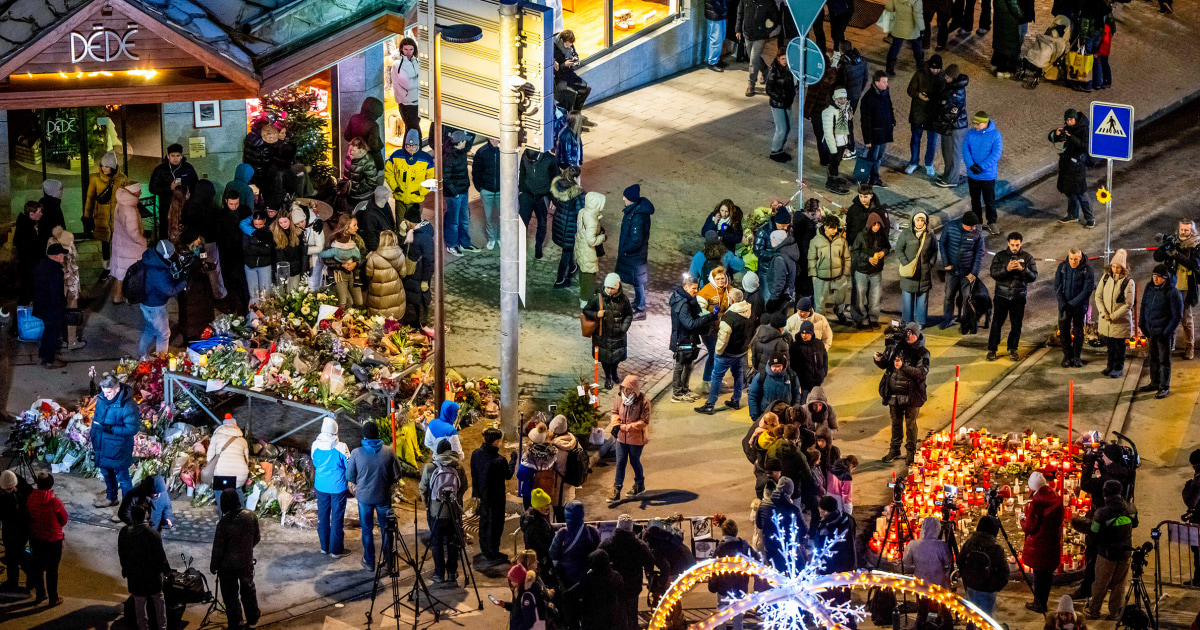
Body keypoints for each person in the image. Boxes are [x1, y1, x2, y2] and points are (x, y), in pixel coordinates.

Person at [348, 421, 404, 571]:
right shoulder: (389, 451)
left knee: (367, 530)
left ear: (364, 436)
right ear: (378, 434)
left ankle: (370, 562)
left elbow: (350, 476)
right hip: (383, 496)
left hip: (364, 498)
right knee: (386, 529)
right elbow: (397, 474)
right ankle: (389, 563)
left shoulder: (356, 453)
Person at [876, 322, 930, 463]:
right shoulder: (897, 347)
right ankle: (894, 449)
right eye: (907, 333)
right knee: (896, 423)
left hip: (912, 395)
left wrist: (903, 367)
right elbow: (886, 364)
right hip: (894, 393)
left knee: (910, 425)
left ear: (916, 335)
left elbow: (921, 373)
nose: (908, 336)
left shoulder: (922, 353)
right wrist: (879, 360)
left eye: (910, 333)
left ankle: (911, 452)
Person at [696, 289, 755, 414]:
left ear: (731, 299)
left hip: (728, 353)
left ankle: (710, 404)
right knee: (738, 375)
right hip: (742, 351)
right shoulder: (750, 311)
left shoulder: (729, 317)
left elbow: (723, 339)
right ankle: (736, 400)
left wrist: (718, 352)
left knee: (716, 377)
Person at [1086, 479, 1138, 619]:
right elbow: (1135, 524)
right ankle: (1115, 612)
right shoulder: (1131, 508)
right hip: (1125, 552)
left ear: (1105, 494)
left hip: (1106, 554)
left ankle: (1094, 610)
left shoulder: (1101, 513)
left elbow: (1094, 534)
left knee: (1101, 583)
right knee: (1119, 584)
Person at [420, 439, 469, 583]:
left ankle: (439, 574)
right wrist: (456, 499)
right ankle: (452, 573)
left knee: (437, 543)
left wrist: (427, 505)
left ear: (438, 451)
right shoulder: (458, 466)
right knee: (453, 542)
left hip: (436, 511)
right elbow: (464, 486)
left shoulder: (430, 467)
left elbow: (422, 488)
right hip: (453, 511)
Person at [211, 488, 260, 628]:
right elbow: (256, 537)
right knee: (248, 590)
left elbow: (218, 548)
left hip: (227, 566)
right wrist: (247, 549)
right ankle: (252, 618)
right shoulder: (251, 516)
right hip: (245, 562)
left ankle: (236, 623)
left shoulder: (223, 524)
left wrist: (214, 565)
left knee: (230, 596)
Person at [1152, 219, 1200, 360]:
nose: (1183, 232)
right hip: (1171, 286)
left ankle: (1189, 347)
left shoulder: (1196, 245)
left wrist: (1175, 254)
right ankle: (1169, 346)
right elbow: (1157, 257)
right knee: (1169, 317)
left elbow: (1193, 265)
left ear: (1192, 231)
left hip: (1186, 287)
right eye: (1181, 230)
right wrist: (1165, 246)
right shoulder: (1174, 242)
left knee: (1186, 319)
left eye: (1187, 230)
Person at [118, 503, 171, 630]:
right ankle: (162, 627)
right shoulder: (153, 534)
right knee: (159, 602)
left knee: (139, 604)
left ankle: (142, 627)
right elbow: (161, 557)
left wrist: (126, 569)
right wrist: (167, 572)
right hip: (152, 577)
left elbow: (122, 553)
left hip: (135, 576)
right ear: (145, 516)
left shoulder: (125, 532)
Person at [92, 374, 141, 508]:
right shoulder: (102, 399)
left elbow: (132, 428)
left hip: (119, 448)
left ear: (117, 389)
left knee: (123, 478)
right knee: (106, 473)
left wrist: (110, 429)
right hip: (102, 445)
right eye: (103, 392)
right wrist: (94, 438)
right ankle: (111, 498)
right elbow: (96, 420)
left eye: (108, 392)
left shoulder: (128, 405)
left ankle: (127, 507)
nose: (105, 395)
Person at [988, 232, 1038, 361]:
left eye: (1017, 245)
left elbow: (1033, 277)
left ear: (1021, 244)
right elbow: (994, 274)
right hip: (1001, 296)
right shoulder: (1000, 256)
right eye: (1012, 245)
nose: (1015, 247)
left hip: (1018, 297)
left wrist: (1022, 269)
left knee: (1016, 325)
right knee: (996, 324)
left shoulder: (1027, 258)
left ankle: (1013, 349)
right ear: (1008, 243)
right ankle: (992, 349)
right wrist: (1007, 269)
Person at [550, 501, 600, 627]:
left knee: (571, 615)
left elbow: (553, 553)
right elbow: (598, 553)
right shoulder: (591, 532)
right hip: (586, 579)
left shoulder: (562, 533)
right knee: (587, 614)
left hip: (567, 581)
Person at [1020, 471, 1064, 613]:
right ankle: (1042, 601)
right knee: (1047, 575)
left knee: (1039, 577)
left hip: (1039, 545)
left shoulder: (1037, 502)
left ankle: (1038, 604)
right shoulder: (1055, 497)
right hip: (1052, 542)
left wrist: (1022, 520)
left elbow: (1030, 527)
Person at [600, 515, 654, 630]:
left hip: (614, 586)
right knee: (632, 614)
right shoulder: (639, 545)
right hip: (633, 586)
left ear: (618, 526)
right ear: (631, 528)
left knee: (616, 615)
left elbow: (598, 559)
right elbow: (649, 561)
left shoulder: (607, 544)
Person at [670, 275, 718, 402]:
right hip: (682, 339)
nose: (696, 291)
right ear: (686, 287)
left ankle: (684, 390)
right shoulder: (683, 304)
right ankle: (677, 394)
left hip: (688, 338)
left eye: (697, 288)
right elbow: (690, 324)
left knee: (689, 365)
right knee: (680, 366)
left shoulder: (690, 300)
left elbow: (697, 315)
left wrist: (708, 316)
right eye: (694, 288)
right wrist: (707, 318)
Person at [584, 273, 635, 390]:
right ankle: (608, 377)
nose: (609, 290)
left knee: (616, 358)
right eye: (607, 287)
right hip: (602, 335)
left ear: (617, 287)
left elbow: (628, 315)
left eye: (612, 288)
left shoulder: (624, 299)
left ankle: (614, 372)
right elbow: (587, 311)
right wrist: (596, 314)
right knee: (605, 359)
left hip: (618, 335)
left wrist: (623, 328)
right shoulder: (597, 298)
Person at [472, 427, 515, 563]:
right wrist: (513, 460)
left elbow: (474, 474)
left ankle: (485, 549)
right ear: (496, 441)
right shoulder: (499, 460)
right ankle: (493, 552)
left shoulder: (476, 454)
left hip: (483, 495)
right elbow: (508, 475)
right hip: (496, 498)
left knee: (484, 522)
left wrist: (475, 493)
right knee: (496, 524)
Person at [1140, 264, 1184, 398]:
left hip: (1163, 333)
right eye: (1154, 276)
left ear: (1165, 278)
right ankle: (1154, 382)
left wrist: (1166, 333)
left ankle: (1164, 387)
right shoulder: (1149, 287)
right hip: (1151, 330)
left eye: (1159, 277)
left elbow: (1177, 315)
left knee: (1164, 361)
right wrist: (1142, 324)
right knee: (1152, 358)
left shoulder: (1173, 293)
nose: (1155, 279)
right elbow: (1143, 305)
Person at [139, 241, 189, 356]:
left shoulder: (152, 259)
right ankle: (160, 361)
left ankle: (141, 355)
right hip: (155, 306)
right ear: (166, 255)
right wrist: (184, 281)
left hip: (147, 303)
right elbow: (171, 290)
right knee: (164, 334)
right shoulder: (158, 271)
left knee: (150, 330)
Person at [938, 211, 985, 329]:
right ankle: (947, 319)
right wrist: (946, 263)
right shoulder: (950, 227)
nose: (973, 228)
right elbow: (942, 243)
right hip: (952, 271)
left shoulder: (978, 233)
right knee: (949, 296)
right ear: (963, 223)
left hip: (967, 272)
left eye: (975, 226)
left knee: (967, 298)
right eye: (971, 226)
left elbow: (979, 253)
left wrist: (974, 273)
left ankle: (967, 321)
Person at [312, 417, 351, 558]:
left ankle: (324, 547)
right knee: (336, 518)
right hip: (338, 488)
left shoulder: (315, 445)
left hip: (321, 487)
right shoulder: (342, 447)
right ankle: (336, 550)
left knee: (322, 517)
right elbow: (349, 466)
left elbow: (315, 462)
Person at [27, 472, 67, 607]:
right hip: (53, 540)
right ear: (51, 485)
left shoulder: (31, 498)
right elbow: (63, 520)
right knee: (52, 570)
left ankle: (40, 594)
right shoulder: (54, 502)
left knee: (37, 567)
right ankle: (53, 598)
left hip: (36, 538)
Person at [85, 150, 130, 269]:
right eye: (102, 166)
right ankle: (107, 267)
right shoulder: (95, 179)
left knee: (118, 243)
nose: (103, 168)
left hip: (117, 217)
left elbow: (127, 199)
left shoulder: (121, 179)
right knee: (105, 243)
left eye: (107, 166)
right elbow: (90, 199)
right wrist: (87, 217)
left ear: (113, 167)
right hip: (102, 218)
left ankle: (118, 265)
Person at [1050, 109, 1095, 228]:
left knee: (1081, 193)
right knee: (1070, 192)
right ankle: (1072, 215)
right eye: (1067, 120)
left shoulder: (1083, 129)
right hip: (1067, 165)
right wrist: (1056, 134)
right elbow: (1052, 138)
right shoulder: (1068, 129)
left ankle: (1090, 219)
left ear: (1075, 119)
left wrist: (1071, 137)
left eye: (1071, 119)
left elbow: (1085, 146)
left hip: (1078, 166)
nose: (1069, 122)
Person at [903, 516, 953, 624]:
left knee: (922, 610)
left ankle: (921, 624)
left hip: (921, 584)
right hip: (940, 585)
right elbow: (948, 562)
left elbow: (907, 562)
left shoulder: (913, 545)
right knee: (944, 610)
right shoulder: (941, 546)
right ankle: (944, 624)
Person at [610, 374, 651, 501]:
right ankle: (617, 489)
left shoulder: (644, 402)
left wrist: (625, 427)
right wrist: (616, 424)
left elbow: (644, 421)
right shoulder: (619, 398)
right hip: (621, 438)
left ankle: (639, 484)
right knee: (620, 462)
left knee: (634, 461)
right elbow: (614, 412)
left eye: (628, 389)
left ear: (634, 390)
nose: (625, 391)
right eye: (624, 388)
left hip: (636, 439)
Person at [615, 185, 655, 318]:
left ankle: (641, 308)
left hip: (635, 256)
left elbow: (636, 240)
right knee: (636, 280)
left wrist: (625, 249)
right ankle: (638, 302)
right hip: (635, 255)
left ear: (631, 199)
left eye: (625, 197)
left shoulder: (637, 216)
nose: (623, 199)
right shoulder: (635, 211)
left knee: (638, 281)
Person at [1094, 249, 1135, 378]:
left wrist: (1112, 316)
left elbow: (1128, 304)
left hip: (1119, 321)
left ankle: (1118, 368)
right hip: (1107, 320)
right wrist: (1103, 313)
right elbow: (1098, 296)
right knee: (1110, 345)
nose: (1115, 269)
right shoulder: (1106, 278)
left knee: (1119, 346)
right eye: (1113, 266)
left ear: (1123, 268)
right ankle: (1110, 366)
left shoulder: (1128, 282)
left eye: (1118, 267)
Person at [958, 515, 1009, 616]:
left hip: (971, 586)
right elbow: (1005, 573)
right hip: (987, 589)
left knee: (971, 614)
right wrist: (994, 586)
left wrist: (967, 577)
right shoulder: (996, 549)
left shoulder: (969, 544)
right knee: (986, 616)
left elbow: (960, 561)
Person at [962, 112, 1004, 235]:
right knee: (975, 200)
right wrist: (971, 165)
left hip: (987, 175)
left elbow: (996, 154)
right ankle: (977, 222)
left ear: (985, 123)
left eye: (977, 124)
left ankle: (992, 222)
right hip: (973, 175)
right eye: (974, 124)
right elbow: (965, 150)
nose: (975, 126)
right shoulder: (970, 134)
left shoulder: (995, 135)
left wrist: (981, 166)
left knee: (989, 200)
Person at [1055, 248, 1097, 368]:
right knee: (1064, 331)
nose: (1073, 262)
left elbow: (1087, 290)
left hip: (1079, 306)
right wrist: (1063, 303)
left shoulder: (1087, 269)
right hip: (1064, 305)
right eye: (1071, 259)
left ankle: (1076, 356)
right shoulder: (1062, 267)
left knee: (1078, 332)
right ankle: (1067, 356)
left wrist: (1072, 304)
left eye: (1076, 259)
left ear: (1081, 257)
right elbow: (1057, 286)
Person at [708, 519, 753, 630]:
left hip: (723, 588)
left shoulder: (720, 549)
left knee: (721, 614)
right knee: (738, 615)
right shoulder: (743, 546)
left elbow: (713, 569)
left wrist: (712, 585)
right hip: (740, 587)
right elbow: (754, 559)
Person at [896, 212, 939, 326]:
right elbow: (899, 249)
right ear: (913, 221)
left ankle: (920, 322)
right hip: (909, 273)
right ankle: (907, 322)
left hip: (924, 273)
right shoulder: (906, 233)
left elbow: (935, 250)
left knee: (922, 299)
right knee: (907, 300)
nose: (920, 223)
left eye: (922, 220)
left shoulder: (930, 234)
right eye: (917, 220)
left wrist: (930, 264)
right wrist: (906, 263)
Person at [809, 215, 852, 326]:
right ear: (825, 227)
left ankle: (839, 312)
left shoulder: (841, 241)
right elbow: (811, 259)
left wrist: (845, 274)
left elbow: (847, 258)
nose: (835, 230)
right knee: (819, 305)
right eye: (832, 228)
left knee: (841, 300)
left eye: (836, 227)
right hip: (821, 278)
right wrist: (814, 276)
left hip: (839, 277)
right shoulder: (815, 241)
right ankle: (819, 324)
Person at [384, 129, 436, 220]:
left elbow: (431, 179)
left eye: (413, 146)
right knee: (401, 224)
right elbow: (388, 172)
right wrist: (395, 187)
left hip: (416, 200)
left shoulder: (426, 159)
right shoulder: (396, 156)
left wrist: (421, 192)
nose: (410, 148)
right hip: (400, 197)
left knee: (414, 224)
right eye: (408, 145)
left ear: (418, 145)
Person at [31, 243, 68, 369]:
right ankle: (49, 360)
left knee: (47, 332)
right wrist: (60, 307)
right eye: (62, 254)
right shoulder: (55, 270)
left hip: (42, 306)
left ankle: (43, 355)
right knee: (52, 334)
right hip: (52, 308)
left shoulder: (42, 266)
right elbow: (55, 292)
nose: (63, 257)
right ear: (56, 256)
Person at [756, 477, 805, 571]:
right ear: (790, 492)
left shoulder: (763, 505)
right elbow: (803, 531)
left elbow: (759, 525)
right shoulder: (793, 509)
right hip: (789, 550)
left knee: (776, 574)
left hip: (770, 549)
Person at [111, 182, 149, 305]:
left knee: (120, 272)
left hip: (120, 244)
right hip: (130, 247)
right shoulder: (130, 209)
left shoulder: (121, 203)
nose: (141, 193)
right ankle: (129, 295)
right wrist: (143, 241)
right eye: (139, 190)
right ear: (134, 192)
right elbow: (133, 233)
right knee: (131, 272)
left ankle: (117, 295)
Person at [852, 212, 891, 329]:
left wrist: (883, 252)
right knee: (860, 297)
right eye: (874, 224)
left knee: (875, 296)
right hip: (862, 271)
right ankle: (862, 319)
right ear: (869, 224)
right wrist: (868, 259)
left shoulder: (882, 235)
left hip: (876, 271)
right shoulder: (861, 236)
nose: (877, 227)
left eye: (878, 224)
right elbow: (855, 252)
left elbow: (887, 247)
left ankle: (873, 318)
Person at [905, 55, 942, 176]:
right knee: (915, 139)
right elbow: (910, 90)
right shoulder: (920, 74)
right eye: (933, 68)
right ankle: (913, 162)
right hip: (919, 113)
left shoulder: (942, 77)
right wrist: (918, 95)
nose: (935, 71)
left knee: (932, 142)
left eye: (937, 69)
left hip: (934, 115)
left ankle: (929, 164)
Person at [569, 550, 624, 630]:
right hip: (611, 620)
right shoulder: (616, 577)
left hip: (591, 621)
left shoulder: (589, 579)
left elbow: (569, 594)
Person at [734, 0, 780, 97]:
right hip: (747, 34)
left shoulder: (768, 2)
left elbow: (775, 18)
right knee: (754, 57)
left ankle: (751, 84)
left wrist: (766, 31)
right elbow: (740, 13)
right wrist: (738, 29)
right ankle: (766, 72)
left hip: (760, 36)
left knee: (753, 60)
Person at [934, 65, 970, 188]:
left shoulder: (957, 91)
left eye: (947, 76)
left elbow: (953, 110)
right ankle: (948, 175)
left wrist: (943, 111)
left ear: (953, 77)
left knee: (953, 153)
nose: (945, 77)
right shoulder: (952, 86)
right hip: (950, 125)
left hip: (955, 127)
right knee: (947, 151)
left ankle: (952, 179)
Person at [519, 149, 558, 260]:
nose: (531, 162)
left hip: (543, 196)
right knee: (522, 222)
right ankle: (521, 245)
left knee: (542, 222)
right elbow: (522, 173)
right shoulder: (525, 156)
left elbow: (555, 179)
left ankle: (539, 246)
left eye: (533, 161)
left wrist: (554, 199)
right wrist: (521, 191)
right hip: (527, 194)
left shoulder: (550, 159)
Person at [442, 130, 477, 256]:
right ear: (460, 142)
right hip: (455, 195)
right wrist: (455, 193)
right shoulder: (449, 157)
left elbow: (471, 140)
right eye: (464, 141)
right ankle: (452, 245)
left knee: (464, 219)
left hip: (462, 190)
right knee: (454, 222)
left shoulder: (461, 150)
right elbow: (445, 178)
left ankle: (464, 243)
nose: (466, 142)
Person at [149, 144, 198, 231]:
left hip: (185, 205)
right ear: (168, 156)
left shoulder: (188, 168)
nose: (175, 159)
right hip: (166, 207)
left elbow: (195, 184)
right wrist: (169, 188)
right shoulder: (160, 169)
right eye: (172, 156)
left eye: (178, 156)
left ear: (181, 156)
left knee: (185, 229)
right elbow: (152, 188)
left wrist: (189, 195)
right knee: (167, 229)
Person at [859, 71, 895, 187]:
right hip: (875, 134)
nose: (886, 84)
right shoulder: (868, 99)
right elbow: (865, 121)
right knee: (872, 157)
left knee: (879, 157)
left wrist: (892, 120)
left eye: (886, 82)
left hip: (884, 132)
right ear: (876, 82)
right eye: (884, 82)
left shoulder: (885, 92)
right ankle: (867, 178)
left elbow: (889, 107)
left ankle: (874, 178)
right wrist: (867, 139)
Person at [402, 204, 435, 330]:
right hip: (411, 274)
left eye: (406, 221)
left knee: (420, 301)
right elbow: (403, 247)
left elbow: (429, 260)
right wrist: (401, 233)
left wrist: (425, 280)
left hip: (419, 275)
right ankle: (413, 323)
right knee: (411, 299)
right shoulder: (411, 232)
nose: (404, 223)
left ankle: (421, 325)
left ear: (412, 222)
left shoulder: (424, 237)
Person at [321, 215, 365, 309]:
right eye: (354, 225)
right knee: (344, 302)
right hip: (339, 274)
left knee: (359, 301)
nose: (357, 228)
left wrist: (356, 264)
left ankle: (352, 313)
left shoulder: (357, 240)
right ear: (346, 226)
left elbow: (363, 255)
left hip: (353, 274)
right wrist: (340, 265)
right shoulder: (332, 240)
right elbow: (326, 258)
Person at [551, 168, 585, 288]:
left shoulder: (558, 186)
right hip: (569, 227)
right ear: (575, 178)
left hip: (559, 223)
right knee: (566, 252)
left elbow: (555, 202)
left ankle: (572, 267)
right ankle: (560, 280)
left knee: (568, 249)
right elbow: (581, 212)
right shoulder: (578, 194)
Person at [364, 229, 408, 319]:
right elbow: (403, 274)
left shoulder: (373, 257)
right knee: (394, 321)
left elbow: (368, 275)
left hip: (377, 297)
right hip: (395, 295)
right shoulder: (401, 255)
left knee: (378, 322)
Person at [0, 470, 32, 593]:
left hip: (21, 529)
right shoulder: (6, 494)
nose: (10, 491)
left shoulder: (21, 488)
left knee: (22, 556)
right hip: (11, 530)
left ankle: (31, 578)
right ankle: (12, 582)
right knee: (11, 557)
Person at [202, 413, 251, 489]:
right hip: (240, 473)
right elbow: (247, 460)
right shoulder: (243, 440)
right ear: (235, 425)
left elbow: (210, 457)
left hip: (220, 471)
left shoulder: (216, 437)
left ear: (224, 425)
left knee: (220, 491)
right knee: (237, 490)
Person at [575, 192, 607, 308]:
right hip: (588, 252)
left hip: (580, 247)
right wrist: (602, 237)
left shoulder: (582, 212)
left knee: (583, 271)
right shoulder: (592, 220)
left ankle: (585, 291)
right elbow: (591, 241)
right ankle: (585, 300)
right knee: (589, 275)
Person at [748, 352, 801, 420]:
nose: (777, 369)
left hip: (785, 415)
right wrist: (755, 416)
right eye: (774, 366)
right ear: (770, 365)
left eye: (779, 366)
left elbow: (796, 394)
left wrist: (793, 411)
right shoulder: (761, 376)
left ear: (784, 365)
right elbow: (753, 395)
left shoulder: (791, 376)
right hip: (766, 415)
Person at [765, 50, 796, 163]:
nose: (785, 61)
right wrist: (780, 98)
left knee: (788, 127)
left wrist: (791, 96)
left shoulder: (789, 70)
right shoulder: (774, 71)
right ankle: (775, 151)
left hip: (787, 103)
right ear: (778, 59)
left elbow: (791, 86)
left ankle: (780, 149)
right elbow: (768, 90)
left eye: (786, 58)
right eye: (783, 59)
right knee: (781, 129)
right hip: (778, 104)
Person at [822, 88, 854, 194]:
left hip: (842, 142)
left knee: (836, 163)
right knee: (833, 164)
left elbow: (848, 127)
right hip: (834, 143)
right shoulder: (829, 112)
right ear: (835, 98)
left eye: (844, 98)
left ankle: (832, 179)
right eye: (840, 98)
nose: (843, 100)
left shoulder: (845, 110)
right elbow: (828, 132)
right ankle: (833, 184)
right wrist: (833, 148)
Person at [472, 137, 502, 249]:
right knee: (488, 216)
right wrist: (480, 188)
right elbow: (476, 172)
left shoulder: (504, 150)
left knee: (502, 216)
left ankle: (500, 237)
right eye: (492, 139)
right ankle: (491, 238)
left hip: (501, 190)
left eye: (496, 139)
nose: (494, 141)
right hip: (486, 189)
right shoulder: (482, 152)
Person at [391, 37, 422, 143]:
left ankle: (406, 151)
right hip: (406, 104)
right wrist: (419, 79)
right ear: (401, 49)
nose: (408, 52)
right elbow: (409, 85)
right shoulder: (397, 64)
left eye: (411, 49)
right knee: (415, 132)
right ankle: (415, 150)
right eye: (406, 49)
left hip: (418, 102)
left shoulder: (416, 61)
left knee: (410, 131)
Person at [344, 96, 386, 173]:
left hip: (354, 156)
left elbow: (347, 136)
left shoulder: (354, 118)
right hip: (369, 160)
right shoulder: (373, 125)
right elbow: (373, 146)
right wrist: (380, 146)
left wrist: (357, 144)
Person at [15, 200, 44, 306]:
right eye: (39, 212)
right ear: (31, 214)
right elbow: (31, 249)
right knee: (27, 292)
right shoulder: (26, 229)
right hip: (29, 266)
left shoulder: (25, 225)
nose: (41, 214)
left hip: (28, 266)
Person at [885, 0, 926, 76]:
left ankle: (889, 68)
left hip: (898, 27)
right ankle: (920, 66)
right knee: (917, 47)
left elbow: (889, 8)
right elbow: (918, 15)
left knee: (895, 47)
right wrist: (921, 28)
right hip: (912, 29)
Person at [791, 321, 829, 403]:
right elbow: (792, 365)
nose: (804, 336)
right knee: (803, 403)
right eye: (802, 333)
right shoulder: (795, 346)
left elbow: (824, 358)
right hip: (802, 383)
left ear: (812, 333)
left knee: (817, 402)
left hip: (816, 381)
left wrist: (823, 373)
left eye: (807, 333)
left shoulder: (818, 344)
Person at [357, 185, 396, 255]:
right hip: (380, 248)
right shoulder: (369, 215)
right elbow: (371, 238)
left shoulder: (385, 204)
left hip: (387, 241)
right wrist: (380, 252)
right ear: (385, 197)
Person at [991, 0, 1026, 77]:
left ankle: (995, 64)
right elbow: (1013, 4)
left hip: (1001, 15)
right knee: (1006, 46)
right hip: (1008, 18)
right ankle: (1001, 70)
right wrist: (1020, 14)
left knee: (1000, 43)